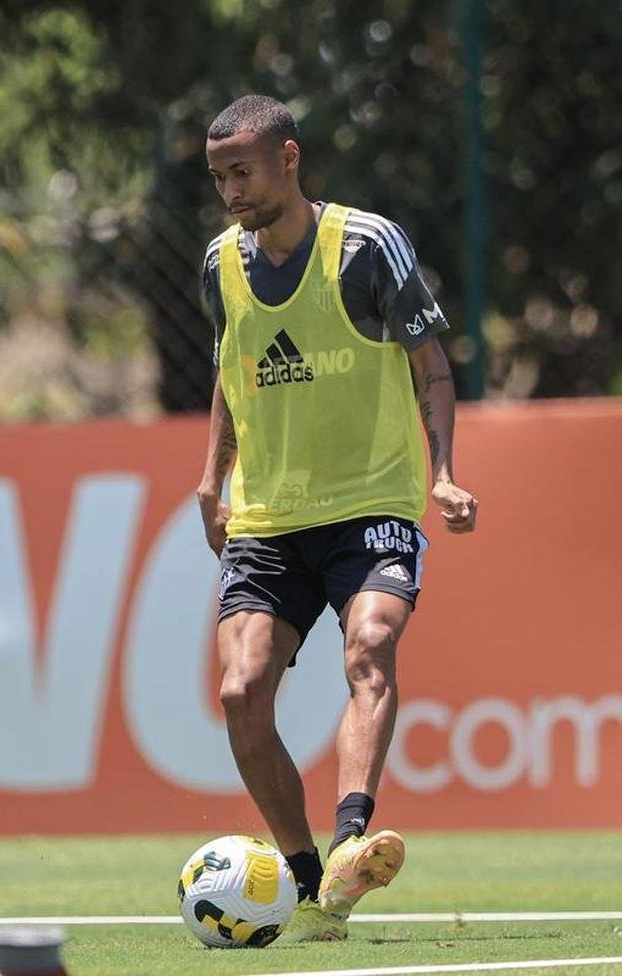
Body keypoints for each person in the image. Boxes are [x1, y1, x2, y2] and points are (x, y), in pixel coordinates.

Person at [197, 94, 477, 942]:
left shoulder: (365, 245)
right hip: (270, 515)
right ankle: (312, 879)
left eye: (241, 171)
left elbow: (432, 368)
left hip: (371, 502)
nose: (230, 191)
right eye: (218, 178)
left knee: (372, 646)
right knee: (241, 693)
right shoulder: (219, 262)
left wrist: (446, 475)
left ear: (289, 157)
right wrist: (212, 477)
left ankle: (353, 841)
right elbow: (230, 371)